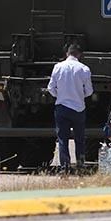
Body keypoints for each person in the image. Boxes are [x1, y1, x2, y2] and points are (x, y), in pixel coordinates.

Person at [47, 42, 92, 173]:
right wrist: (79, 95)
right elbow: (89, 91)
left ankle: (64, 167)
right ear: (79, 55)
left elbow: (51, 88)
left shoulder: (58, 67)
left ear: (67, 53)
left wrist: (59, 96)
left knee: (62, 139)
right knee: (80, 138)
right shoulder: (84, 69)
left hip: (62, 107)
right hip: (79, 108)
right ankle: (80, 165)